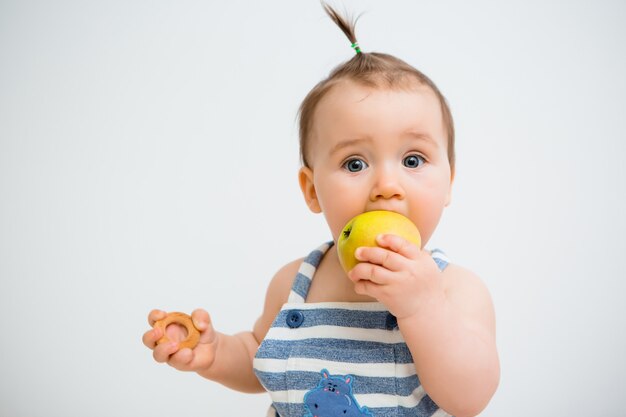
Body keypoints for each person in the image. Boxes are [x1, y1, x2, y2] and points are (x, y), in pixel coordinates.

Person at [142, 4, 500, 417]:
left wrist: (424, 308)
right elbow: (263, 358)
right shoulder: (295, 284)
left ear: (449, 184)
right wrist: (216, 352)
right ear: (312, 191)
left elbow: (471, 397)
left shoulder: (455, 291)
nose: (386, 186)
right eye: (355, 164)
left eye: (413, 160)